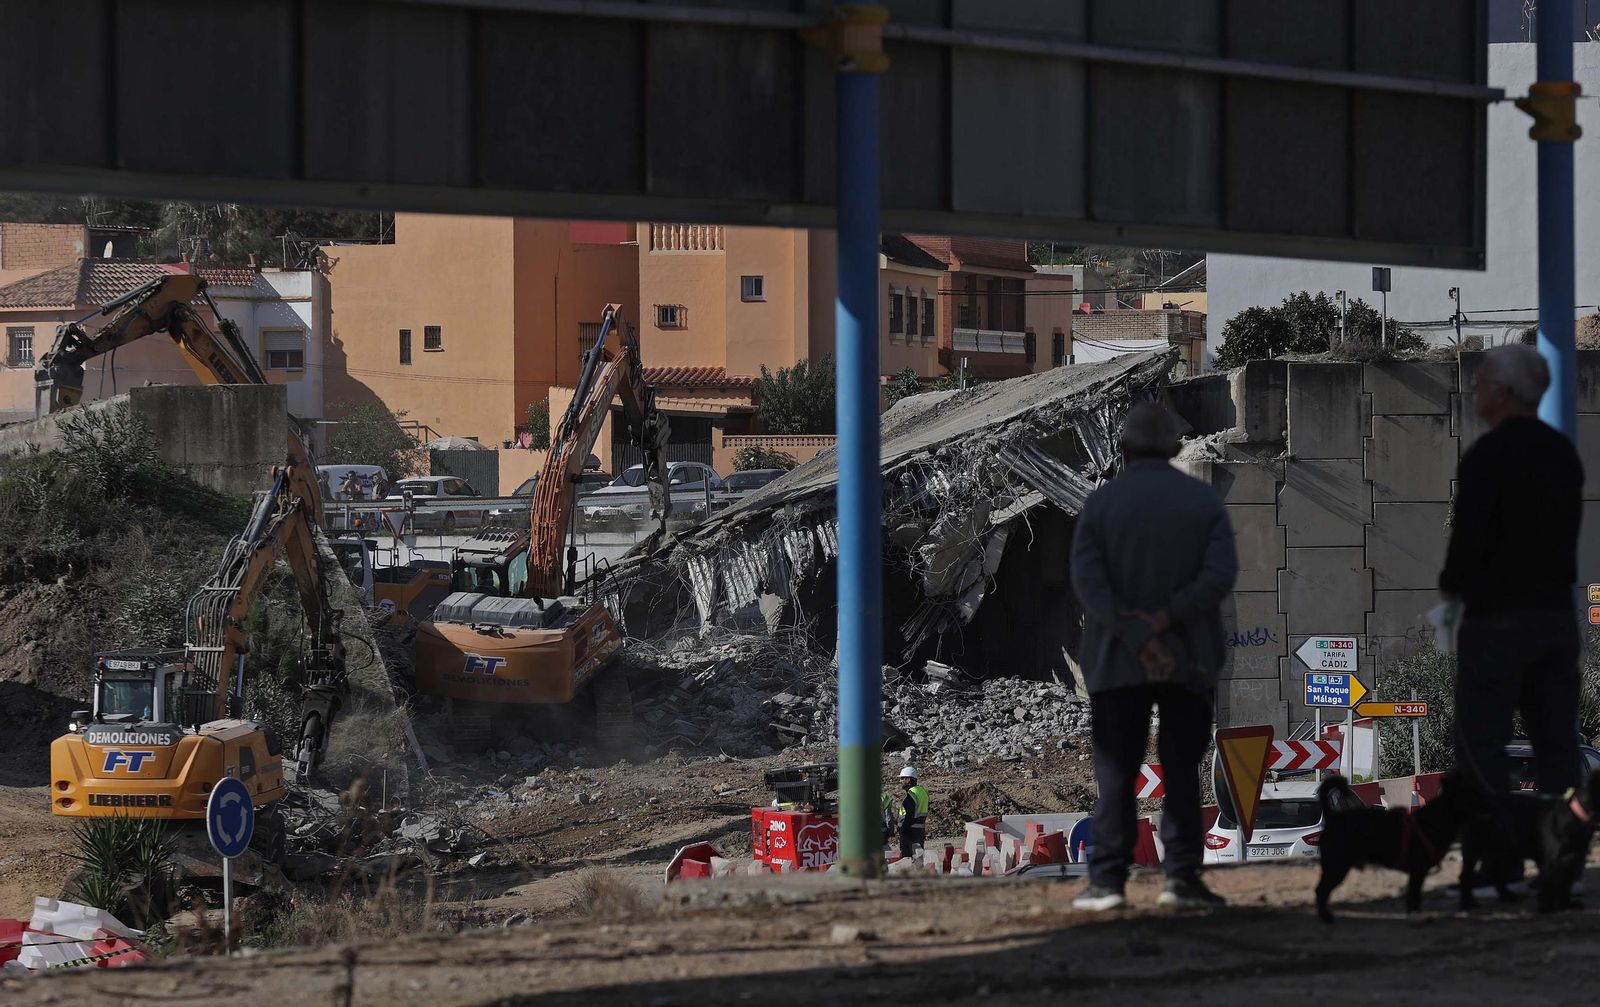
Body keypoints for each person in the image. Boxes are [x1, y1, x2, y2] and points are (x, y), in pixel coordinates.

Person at [1069, 401, 1238, 911]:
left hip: (1117, 664)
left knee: (1117, 772)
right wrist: (1167, 621)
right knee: (1183, 769)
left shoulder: (1100, 506)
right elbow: (1219, 575)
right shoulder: (1202, 503)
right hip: (1190, 660)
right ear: (1173, 447)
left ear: (1121, 447)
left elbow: (1088, 583)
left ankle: (1107, 883)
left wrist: (1135, 633)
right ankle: (1182, 878)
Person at [1440, 345, 1583, 820]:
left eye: (1480, 384)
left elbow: (1468, 545)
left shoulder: (1488, 456)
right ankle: (1559, 856)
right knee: (1557, 744)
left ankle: (1495, 863)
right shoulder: (1563, 453)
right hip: (1555, 618)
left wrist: (1452, 588)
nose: (1475, 392)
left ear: (1503, 393)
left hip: (1496, 621)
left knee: (1482, 746)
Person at [897, 766, 928, 860]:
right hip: (919, 831)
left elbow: (909, 815)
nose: (900, 781)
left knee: (908, 859)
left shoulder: (912, 794)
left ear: (909, 779)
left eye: (902, 778)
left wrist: (903, 828)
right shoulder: (922, 792)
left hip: (909, 832)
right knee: (918, 857)